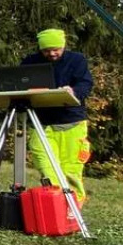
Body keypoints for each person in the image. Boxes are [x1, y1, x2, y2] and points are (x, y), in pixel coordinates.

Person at [21, 29, 93, 204]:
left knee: (70, 169)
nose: (51, 54)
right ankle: (56, 203)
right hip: (41, 121)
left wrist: (73, 91)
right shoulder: (30, 62)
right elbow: (20, 81)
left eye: (55, 49)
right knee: (44, 163)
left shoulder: (77, 60)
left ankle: (73, 207)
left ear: (63, 45)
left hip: (71, 121)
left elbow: (86, 83)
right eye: (46, 50)